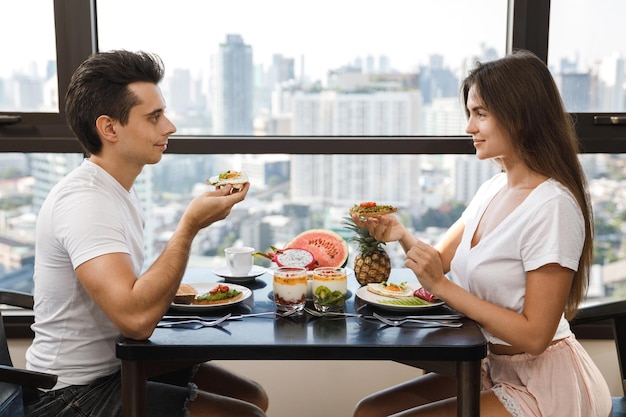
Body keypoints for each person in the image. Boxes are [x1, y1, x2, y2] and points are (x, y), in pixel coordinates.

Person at [352, 50, 612, 417]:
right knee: (370, 411)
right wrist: (401, 234)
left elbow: (536, 336)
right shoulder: (492, 188)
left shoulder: (553, 207)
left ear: (520, 118)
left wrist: (442, 286)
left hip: (547, 386)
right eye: (470, 114)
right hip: (497, 369)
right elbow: (439, 262)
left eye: (480, 114)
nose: (468, 127)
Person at [23, 50, 268, 417]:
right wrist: (189, 227)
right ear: (109, 128)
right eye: (154, 117)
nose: (169, 127)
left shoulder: (118, 187)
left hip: (114, 369)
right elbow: (136, 321)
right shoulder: (86, 202)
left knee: (253, 396)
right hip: (69, 396)